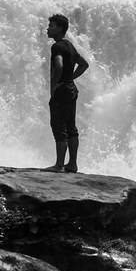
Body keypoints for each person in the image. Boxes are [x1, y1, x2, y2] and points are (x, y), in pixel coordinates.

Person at [44, 14, 89, 173]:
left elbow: (59, 65)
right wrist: (70, 78)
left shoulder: (56, 47)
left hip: (62, 91)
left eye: (51, 25)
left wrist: (56, 84)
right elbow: (84, 64)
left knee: (58, 126)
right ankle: (72, 164)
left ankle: (59, 165)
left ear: (60, 28)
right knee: (71, 127)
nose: (48, 28)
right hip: (71, 89)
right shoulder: (69, 45)